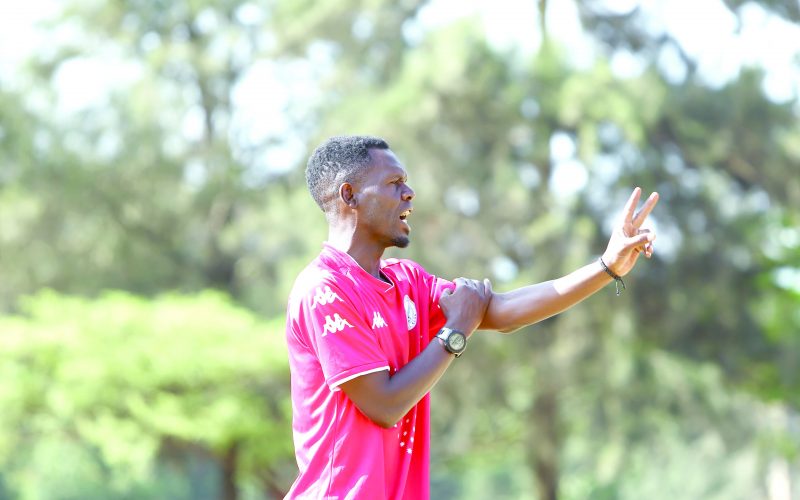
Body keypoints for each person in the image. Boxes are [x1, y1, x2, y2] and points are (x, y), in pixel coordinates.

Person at [284, 135, 658, 499]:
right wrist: (455, 331)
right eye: (395, 183)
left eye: (407, 183)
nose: (409, 193)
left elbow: (502, 312)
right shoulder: (324, 290)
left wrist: (606, 267)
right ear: (349, 195)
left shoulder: (408, 280)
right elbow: (384, 405)